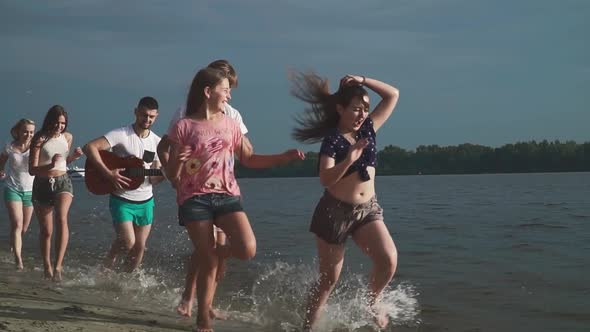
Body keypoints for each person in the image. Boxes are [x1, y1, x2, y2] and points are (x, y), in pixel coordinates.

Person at [157, 59, 303, 319]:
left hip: (227, 195)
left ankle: (205, 278)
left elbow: (249, 158)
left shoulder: (232, 123)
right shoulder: (184, 125)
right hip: (195, 198)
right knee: (207, 258)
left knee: (247, 248)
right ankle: (202, 316)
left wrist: (283, 157)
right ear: (207, 92)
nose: (229, 94)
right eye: (225, 89)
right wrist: (176, 168)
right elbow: (171, 172)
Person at [290, 72, 400, 331]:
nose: (362, 114)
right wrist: (349, 159)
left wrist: (363, 80)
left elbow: (392, 94)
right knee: (329, 279)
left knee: (388, 260)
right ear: (340, 109)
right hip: (334, 213)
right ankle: (307, 328)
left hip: (367, 209)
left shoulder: (369, 129)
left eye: (365, 109)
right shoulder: (333, 140)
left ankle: (372, 302)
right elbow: (325, 178)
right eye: (356, 109)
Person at [83, 96, 164, 272]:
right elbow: (89, 148)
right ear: (136, 112)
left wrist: (166, 174)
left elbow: (153, 179)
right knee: (129, 242)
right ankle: (110, 261)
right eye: (143, 115)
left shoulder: (158, 143)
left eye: (151, 117)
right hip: (122, 198)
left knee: (140, 247)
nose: (147, 120)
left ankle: (126, 280)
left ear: (157, 116)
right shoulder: (121, 134)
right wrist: (109, 173)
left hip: (146, 201)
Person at [29, 105, 83, 281]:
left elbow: (63, 162)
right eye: (58, 122)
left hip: (63, 182)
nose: (60, 126)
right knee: (46, 231)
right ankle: (47, 266)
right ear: (50, 121)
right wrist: (50, 165)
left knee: (61, 218)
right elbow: (32, 170)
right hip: (42, 184)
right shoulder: (39, 138)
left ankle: (58, 267)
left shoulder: (67, 137)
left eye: (63, 123)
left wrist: (73, 158)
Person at [0, 119, 35, 270]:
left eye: (31, 132)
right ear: (19, 131)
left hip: (31, 191)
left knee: (24, 228)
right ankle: (18, 261)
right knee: (17, 224)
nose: (28, 135)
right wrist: (1, 171)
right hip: (12, 188)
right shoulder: (10, 147)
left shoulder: (36, 147)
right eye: (25, 131)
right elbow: (1, 162)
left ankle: (13, 247)